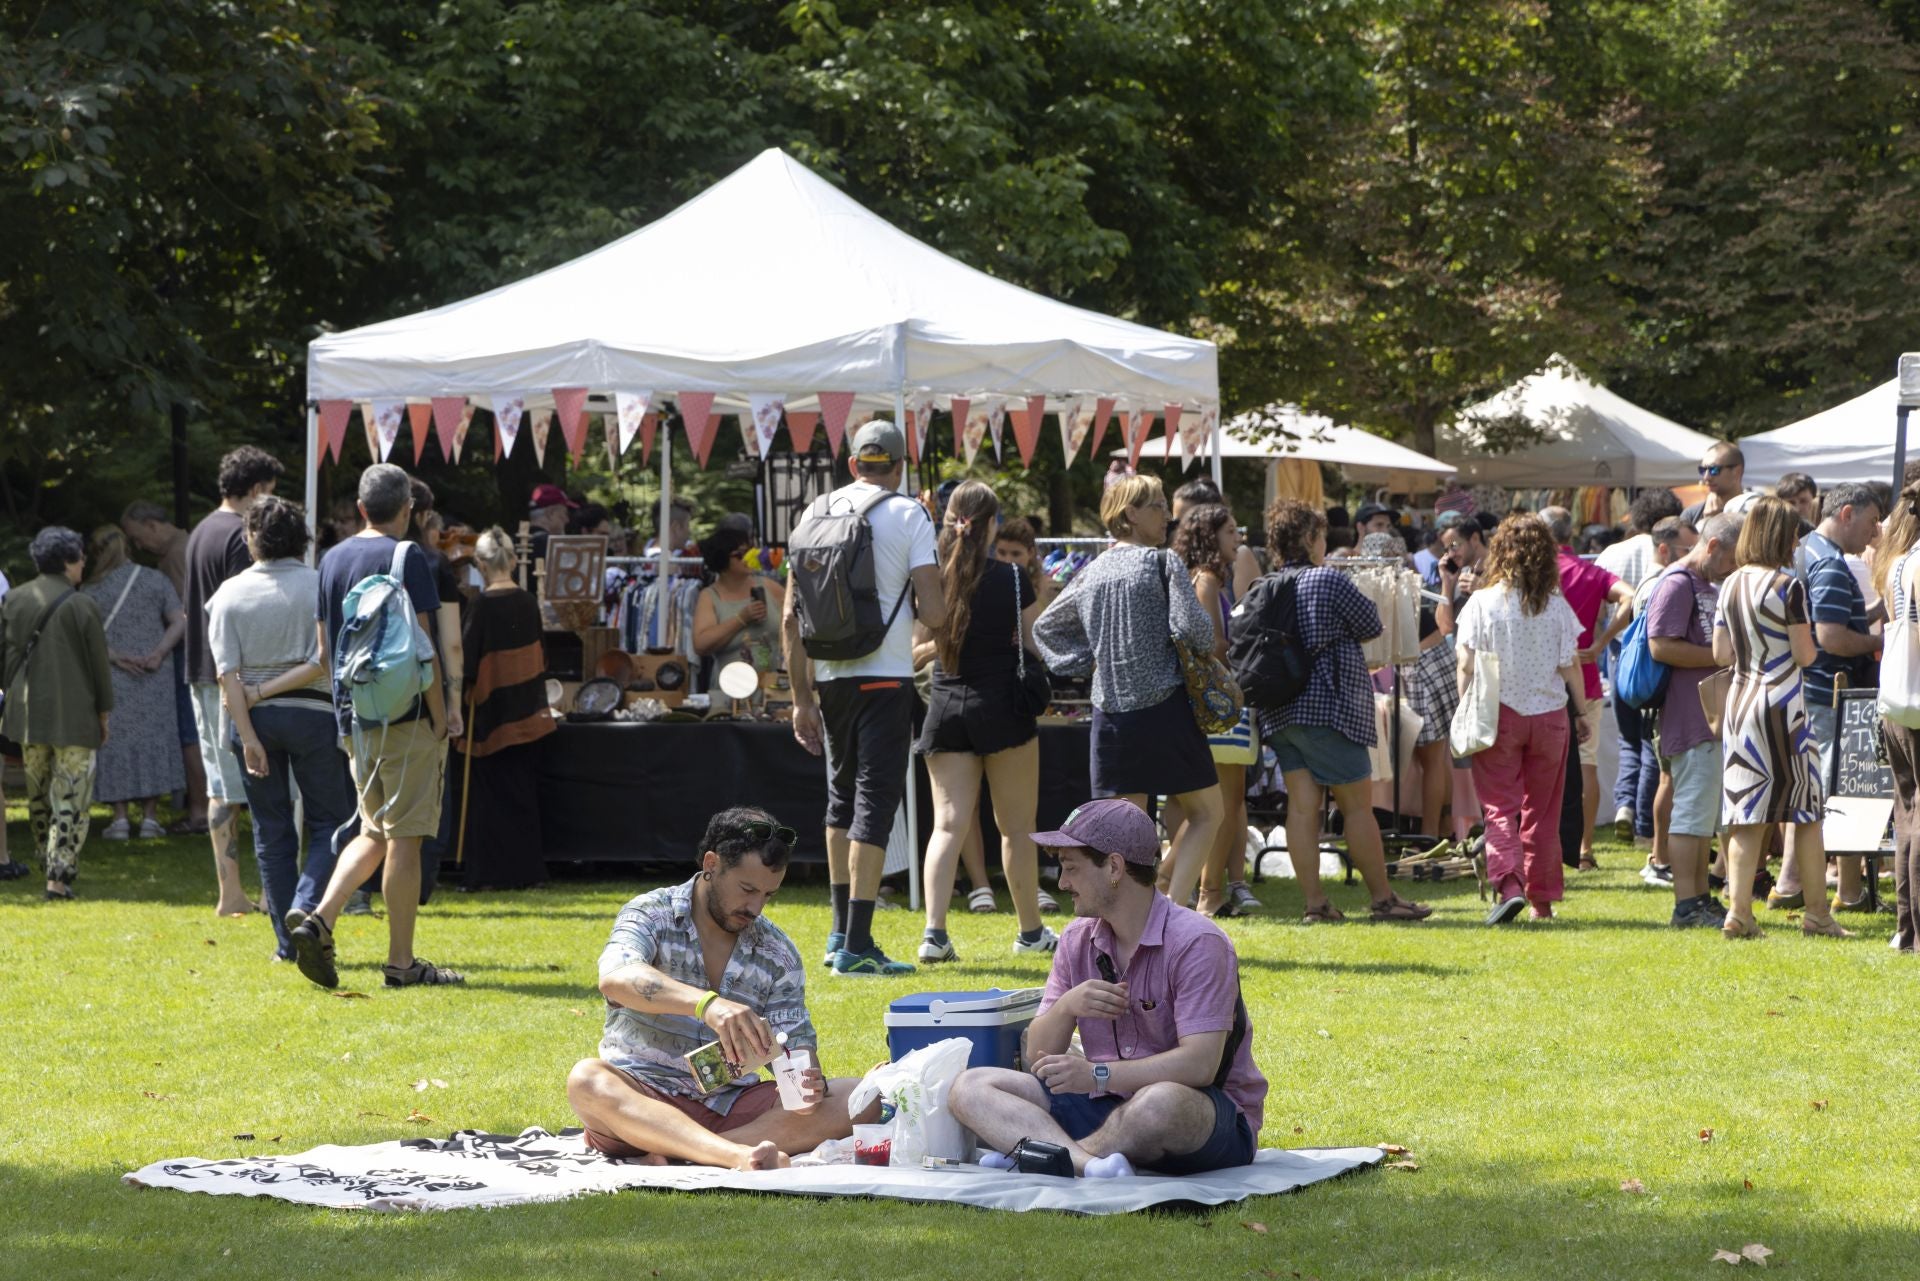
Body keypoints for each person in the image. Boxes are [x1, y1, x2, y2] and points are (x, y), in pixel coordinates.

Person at [945, 799, 1267, 1178]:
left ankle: (1041, 1154)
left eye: (1072, 869)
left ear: (1114, 867)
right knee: (970, 1086)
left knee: (1158, 1104)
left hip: (1204, 1113)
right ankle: (1089, 1164)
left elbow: (1199, 1065)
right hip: (1104, 1103)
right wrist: (1066, 1007)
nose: (1063, 884)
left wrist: (1098, 1075)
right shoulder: (1076, 939)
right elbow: (1037, 1058)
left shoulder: (1197, 942)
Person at [566, 807, 878, 1169]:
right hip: (640, 1098)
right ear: (712, 864)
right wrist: (708, 1005)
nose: (756, 907)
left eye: (768, 895)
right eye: (747, 889)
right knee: (587, 1080)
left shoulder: (778, 952)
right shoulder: (651, 912)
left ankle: (686, 1154)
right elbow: (616, 978)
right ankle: (733, 1156)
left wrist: (805, 1084)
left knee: (861, 1097)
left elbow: (797, 1049)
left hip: (730, 1105)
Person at [287, 463, 464, 990]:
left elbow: (324, 653)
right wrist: (440, 717)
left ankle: (320, 918)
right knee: (405, 838)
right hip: (407, 716)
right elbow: (423, 652)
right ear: (408, 510)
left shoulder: (331, 559)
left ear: (360, 509)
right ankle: (401, 964)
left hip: (354, 719)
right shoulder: (407, 557)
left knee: (373, 830)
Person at [782, 420, 946, 976]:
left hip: (829, 676)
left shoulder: (813, 513)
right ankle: (857, 943)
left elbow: (789, 618)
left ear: (853, 464)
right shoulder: (910, 514)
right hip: (886, 673)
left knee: (840, 798)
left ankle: (836, 933)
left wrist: (800, 698)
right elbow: (937, 610)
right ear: (900, 467)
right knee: (876, 803)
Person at [1033, 475, 1224, 907]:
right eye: (1157, 506)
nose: (1167, 516)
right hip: (1165, 710)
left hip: (1111, 714)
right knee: (1208, 812)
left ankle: (1133, 925)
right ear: (1131, 514)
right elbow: (1194, 631)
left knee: (1124, 838)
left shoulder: (1092, 571)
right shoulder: (1163, 563)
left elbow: (1047, 629)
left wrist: (1089, 664)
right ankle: (1173, 913)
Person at [1259, 500, 1432, 924]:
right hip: (1331, 708)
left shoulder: (1266, 584)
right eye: (1319, 534)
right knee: (1357, 807)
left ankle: (1315, 904)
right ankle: (1383, 900)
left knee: (1300, 808)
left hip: (1280, 710)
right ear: (1309, 538)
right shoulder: (1327, 580)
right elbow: (1372, 624)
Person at [908, 479, 1059, 961]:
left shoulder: (932, 580)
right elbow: (1035, 645)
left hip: (947, 709)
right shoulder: (1013, 579)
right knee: (1016, 829)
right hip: (1004, 709)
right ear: (991, 525)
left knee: (947, 827)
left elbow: (914, 654)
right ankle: (1031, 933)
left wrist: (949, 642)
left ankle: (934, 935)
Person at [206, 497, 351, 962]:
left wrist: (248, 737)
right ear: (301, 537)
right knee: (331, 823)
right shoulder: (320, 586)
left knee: (271, 831)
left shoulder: (228, 594)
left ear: (252, 538)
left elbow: (227, 676)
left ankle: (288, 945)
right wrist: (266, 693)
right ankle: (308, 909)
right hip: (314, 717)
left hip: (255, 723)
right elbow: (323, 661)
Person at [1714, 497, 1853, 939]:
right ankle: (1818, 915)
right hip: (1785, 706)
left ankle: (1739, 912)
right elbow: (1805, 653)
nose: (1798, 541)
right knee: (1807, 812)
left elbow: (1720, 654)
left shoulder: (1730, 584)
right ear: (1782, 536)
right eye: (1794, 533)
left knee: (1747, 811)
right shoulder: (1787, 587)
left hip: (1739, 705)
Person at [1454, 515, 1592, 924]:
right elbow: (1571, 666)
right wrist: (1581, 713)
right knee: (1543, 812)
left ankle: (1509, 883)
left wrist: (1467, 706)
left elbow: (1465, 663)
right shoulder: (1557, 605)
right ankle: (1541, 901)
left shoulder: (1483, 602)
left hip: (1499, 713)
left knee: (1498, 807)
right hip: (1550, 715)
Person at [1770, 482, 1885, 913]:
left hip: (1809, 690)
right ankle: (1849, 894)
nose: (1875, 534)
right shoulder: (1833, 566)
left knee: (1813, 792)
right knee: (1843, 790)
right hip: (1829, 694)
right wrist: (1883, 640)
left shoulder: (1806, 551)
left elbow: (1832, 619)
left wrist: (1877, 614)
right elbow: (1832, 637)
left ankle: (1789, 884)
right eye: (1872, 521)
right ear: (1847, 513)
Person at [184, 445, 284, 915]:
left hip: (199, 670)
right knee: (258, 778)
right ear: (258, 489)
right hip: (233, 676)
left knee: (220, 786)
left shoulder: (201, 531)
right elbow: (246, 611)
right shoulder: (239, 536)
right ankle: (267, 891)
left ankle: (230, 893)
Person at [0, 527, 113, 898]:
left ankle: (45, 856)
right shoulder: (83, 605)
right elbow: (99, 667)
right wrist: (104, 715)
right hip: (76, 716)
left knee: (39, 794)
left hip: (27, 716)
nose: (84, 563)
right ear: (67, 562)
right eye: (80, 556)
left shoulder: (14, 600)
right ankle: (58, 874)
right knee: (72, 796)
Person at [1643, 513, 1740, 927]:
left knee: (1703, 818)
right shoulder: (1676, 583)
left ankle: (1699, 899)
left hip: (1709, 718)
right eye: (1733, 559)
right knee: (1691, 815)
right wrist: (1722, 658)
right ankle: (1687, 904)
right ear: (1714, 546)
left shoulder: (1705, 583)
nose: (1735, 569)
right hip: (1690, 716)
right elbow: (1660, 646)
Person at [452, 528, 556, 891]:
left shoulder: (480, 605)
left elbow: (465, 661)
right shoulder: (527, 601)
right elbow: (540, 654)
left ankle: (484, 875)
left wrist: (461, 701)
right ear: (512, 560)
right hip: (526, 709)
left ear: (480, 564)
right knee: (522, 795)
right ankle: (528, 873)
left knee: (487, 799)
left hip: (489, 714)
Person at [1172, 503, 1261, 917]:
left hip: (1209, 705)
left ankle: (1194, 887)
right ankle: (1206, 892)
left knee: (1216, 805)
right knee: (1219, 805)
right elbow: (1210, 646)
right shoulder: (1206, 580)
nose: (1237, 538)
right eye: (1229, 532)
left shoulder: (1201, 578)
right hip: (1217, 706)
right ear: (1211, 537)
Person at [1541, 506, 1633, 869]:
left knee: (1544, 765)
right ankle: (1584, 848)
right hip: (1586, 676)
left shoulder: (1536, 573)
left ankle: (1547, 843)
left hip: (1540, 679)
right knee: (1588, 763)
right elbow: (1630, 596)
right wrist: (1602, 641)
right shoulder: (1589, 571)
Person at [81, 526, 184, 839]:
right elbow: (180, 620)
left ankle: (121, 817)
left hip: (114, 676)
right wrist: (157, 654)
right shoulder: (155, 579)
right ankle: (151, 816)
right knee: (153, 739)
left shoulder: (90, 591)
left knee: (115, 743)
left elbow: (86, 637)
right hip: (155, 674)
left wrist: (114, 657)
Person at [1596, 491, 1685, 843]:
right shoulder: (1673, 549)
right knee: (1652, 742)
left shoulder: (1612, 553)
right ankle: (1647, 824)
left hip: (1620, 655)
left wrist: (1604, 641)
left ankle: (1624, 806)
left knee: (1628, 740)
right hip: (1654, 660)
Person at [121, 498, 206, 826]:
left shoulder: (174, 556)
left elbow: (185, 612)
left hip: (189, 652)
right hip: (202, 652)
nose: (138, 545)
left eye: (138, 536)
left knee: (190, 734)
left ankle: (198, 810)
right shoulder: (193, 541)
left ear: (153, 525)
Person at [1629, 517, 1698, 882]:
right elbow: (1659, 646)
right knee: (1668, 777)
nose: (1694, 555)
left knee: (1667, 776)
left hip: (1665, 695)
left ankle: (1661, 856)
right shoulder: (1664, 583)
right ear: (1664, 547)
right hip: (1665, 695)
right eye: (1689, 548)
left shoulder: (1654, 582)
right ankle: (1659, 857)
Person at [1873, 475, 1920, 952]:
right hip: (1915, 701)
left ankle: (1907, 928)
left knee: (1908, 813)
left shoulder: (1898, 561)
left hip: (1898, 700)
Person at [693, 526, 786, 675]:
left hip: (774, 689)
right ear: (722, 559)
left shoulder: (768, 586)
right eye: (740, 555)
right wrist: (741, 618)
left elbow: (797, 622)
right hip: (731, 690)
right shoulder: (710, 596)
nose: (748, 558)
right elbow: (701, 645)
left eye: (751, 552)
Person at [1173, 478, 1263, 598]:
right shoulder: (1178, 565)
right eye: (1176, 523)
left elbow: (1254, 612)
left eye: (1188, 521)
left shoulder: (1238, 557)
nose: (1180, 530)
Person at [1682, 442, 1760, 525]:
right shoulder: (1691, 515)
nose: (1706, 477)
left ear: (1737, 472)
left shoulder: (1756, 513)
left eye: (1714, 469)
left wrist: (1715, 523)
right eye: (1703, 470)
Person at [993, 517, 1057, 611]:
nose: (1007, 560)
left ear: (1030, 553)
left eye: (1016, 554)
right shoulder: (987, 585)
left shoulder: (1048, 590)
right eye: (1001, 553)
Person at [527, 482, 578, 571]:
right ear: (550, 513)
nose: (567, 520)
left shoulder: (513, 542)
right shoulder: (552, 545)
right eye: (564, 513)